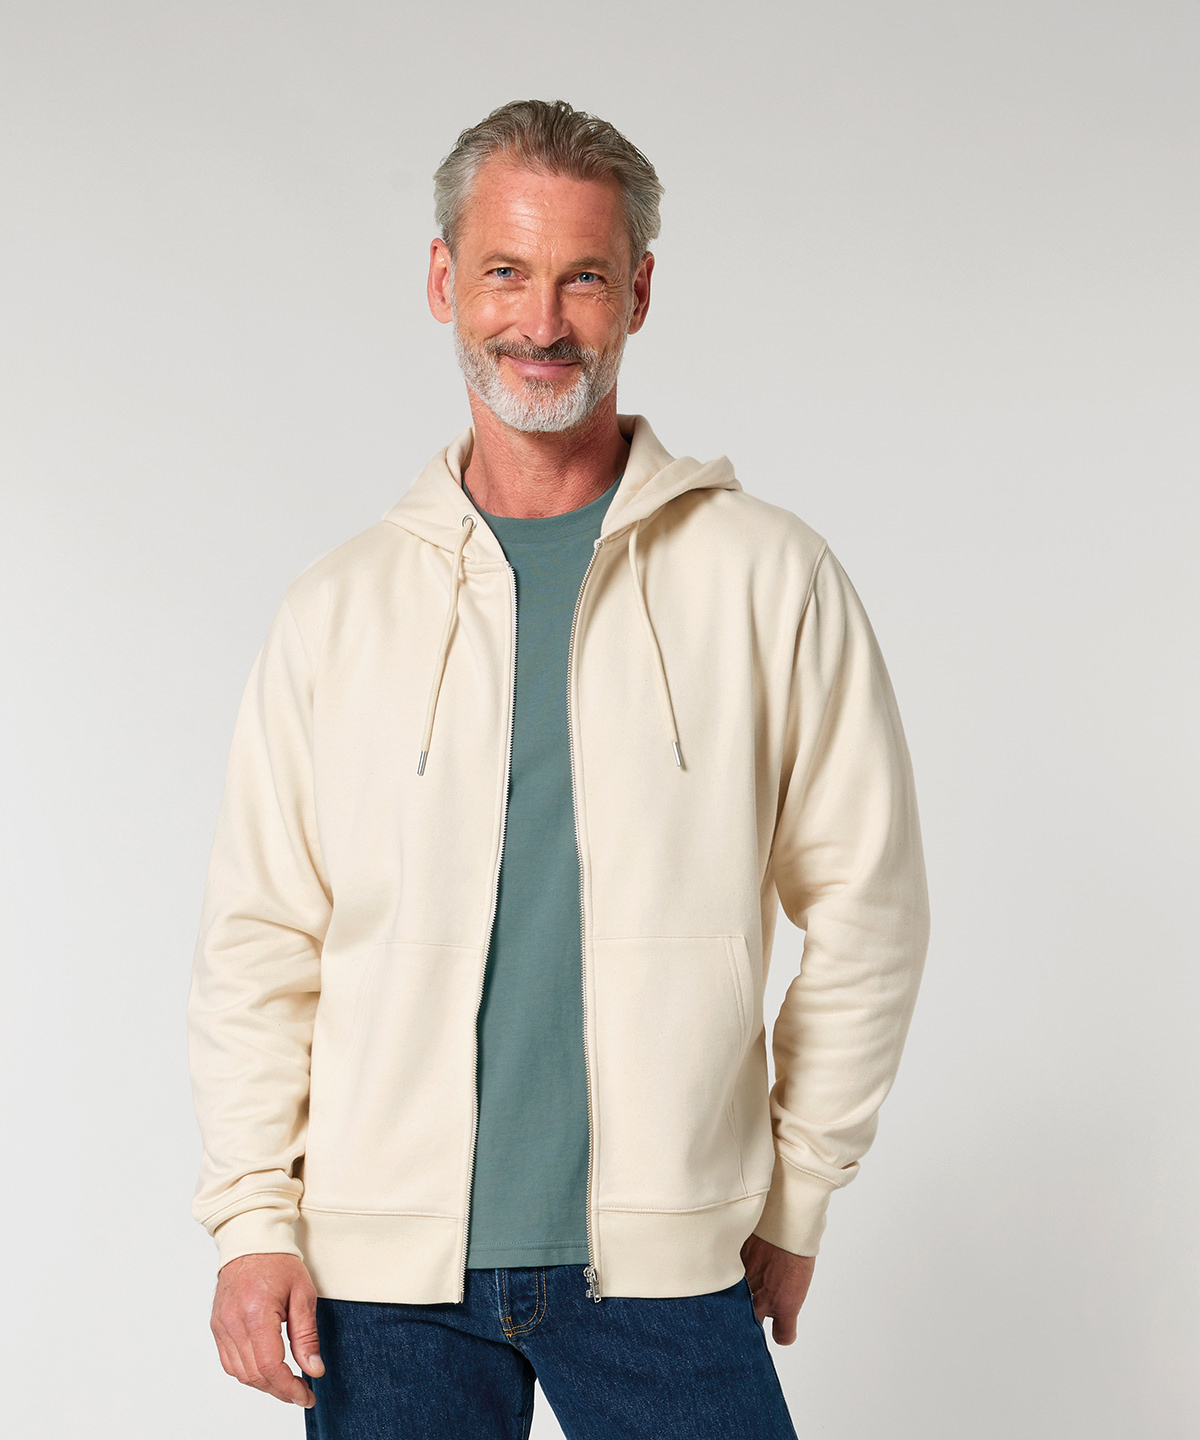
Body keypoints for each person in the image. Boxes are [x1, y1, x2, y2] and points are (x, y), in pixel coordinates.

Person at [188, 98, 930, 1439]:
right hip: (381, 1283)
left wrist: (798, 1190)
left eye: (583, 277)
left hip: (666, 1262)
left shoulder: (770, 579)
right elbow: (261, 940)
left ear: (638, 291)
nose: (541, 322)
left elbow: (870, 908)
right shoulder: (337, 610)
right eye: (505, 272)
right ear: (443, 281)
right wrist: (252, 1218)